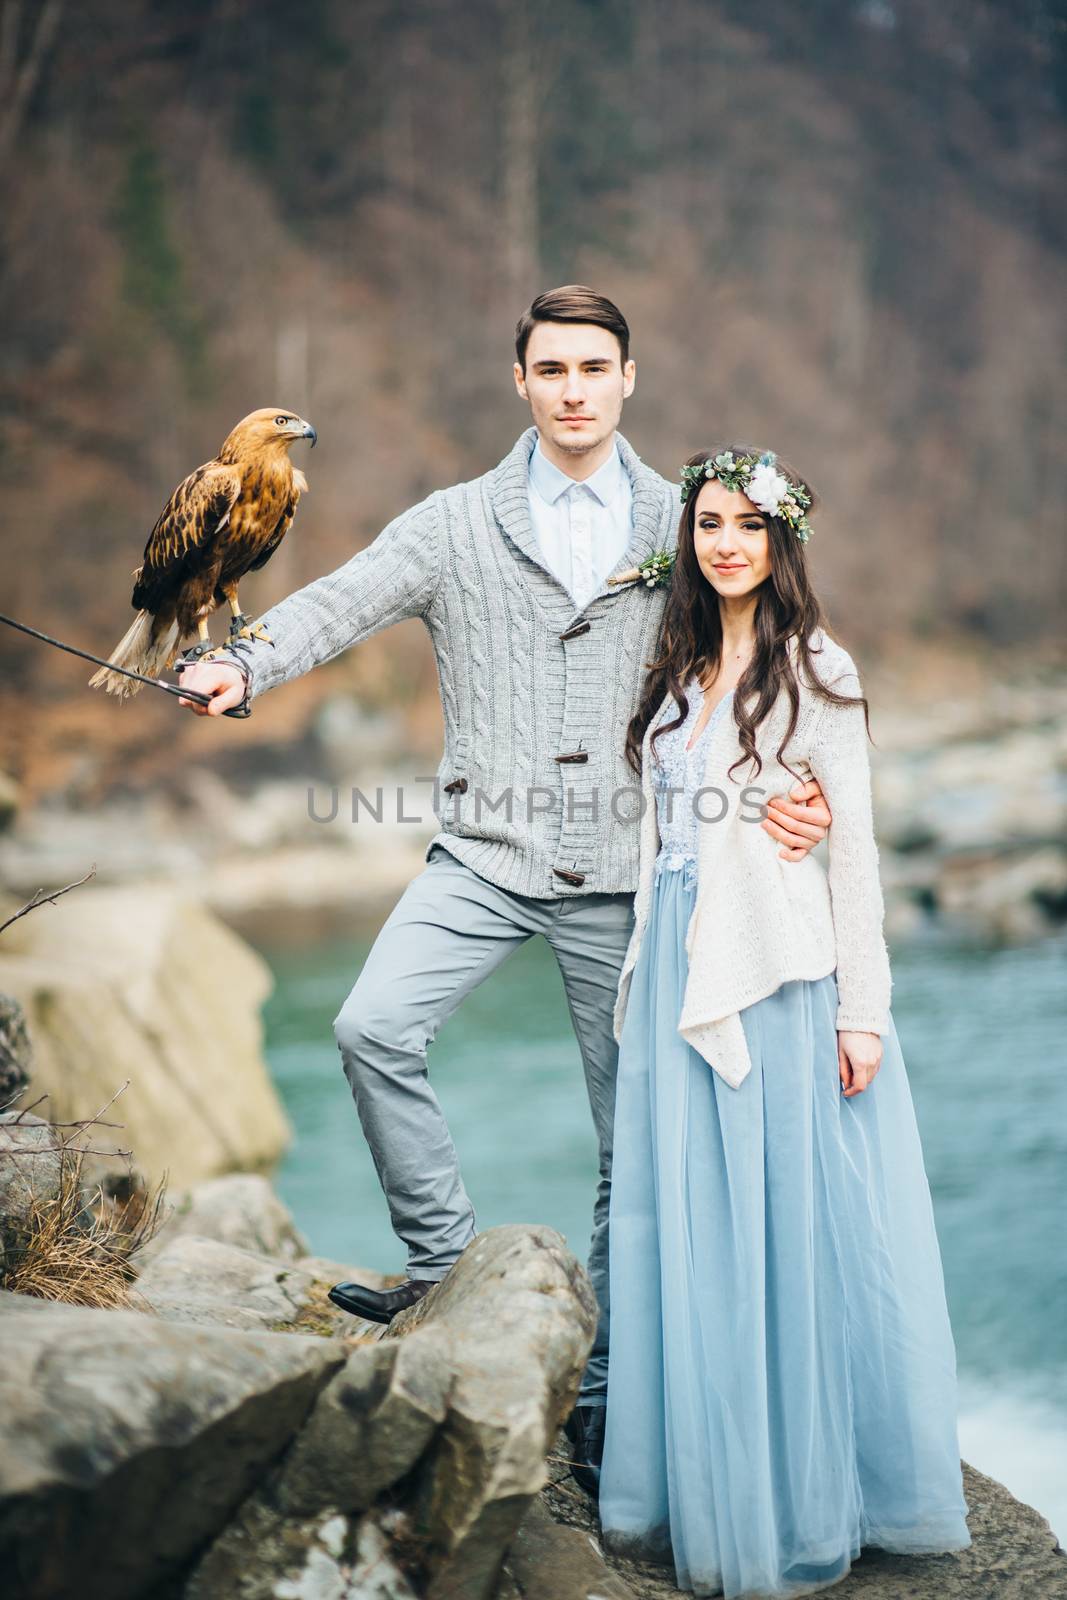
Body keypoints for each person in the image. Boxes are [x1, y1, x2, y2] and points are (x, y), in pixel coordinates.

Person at [175, 288, 833, 1491]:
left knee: (626, 1136)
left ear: (627, 378)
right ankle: (437, 1269)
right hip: (481, 852)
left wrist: (804, 780)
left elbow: (763, 643)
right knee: (371, 1026)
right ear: (518, 381)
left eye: (593, 366)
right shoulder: (453, 521)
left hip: (632, 869)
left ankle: (596, 1394)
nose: (573, 387)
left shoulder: (677, 517)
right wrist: (239, 661)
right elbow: (337, 601)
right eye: (550, 368)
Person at [599, 445, 971, 1596]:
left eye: (746, 527)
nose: (724, 544)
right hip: (672, 975)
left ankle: (797, 1501)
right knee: (692, 1233)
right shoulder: (675, 669)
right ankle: (697, 1484)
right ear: (686, 539)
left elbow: (850, 856)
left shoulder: (817, 668)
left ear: (780, 541)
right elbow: (666, 835)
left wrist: (864, 1013)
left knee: (783, 1238)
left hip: (774, 983)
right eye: (707, 523)